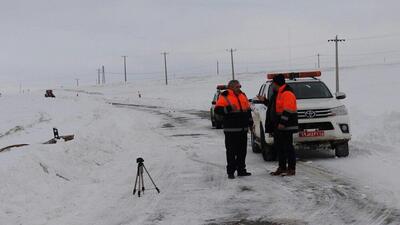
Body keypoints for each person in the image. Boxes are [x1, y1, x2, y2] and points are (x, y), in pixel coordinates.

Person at [214, 80, 253, 179]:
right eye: (237, 87)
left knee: (242, 152)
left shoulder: (242, 95)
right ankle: (230, 172)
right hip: (231, 130)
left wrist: (250, 122)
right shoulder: (225, 96)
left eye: (239, 86)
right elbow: (217, 110)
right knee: (231, 152)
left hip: (243, 129)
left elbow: (248, 110)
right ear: (231, 87)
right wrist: (228, 108)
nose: (239, 88)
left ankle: (241, 170)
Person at [268, 74, 298, 176]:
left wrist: (282, 123)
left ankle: (291, 168)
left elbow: (288, 109)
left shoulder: (287, 93)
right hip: (279, 125)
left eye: (273, 83)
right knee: (280, 147)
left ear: (276, 83)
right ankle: (282, 167)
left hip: (286, 125)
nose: (272, 85)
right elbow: (277, 108)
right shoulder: (279, 93)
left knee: (288, 147)